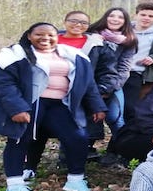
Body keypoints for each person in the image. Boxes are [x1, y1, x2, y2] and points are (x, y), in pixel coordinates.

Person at [0, 22, 106, 191]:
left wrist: (97, 106)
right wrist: (17, 108)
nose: (45, 39)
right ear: (29, 36)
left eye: (51, 35)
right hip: (29, 103)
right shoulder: (14, 55)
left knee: (77, 137)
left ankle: (76, 180)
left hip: (60, 104)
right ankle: (15, 184)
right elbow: (5, 84)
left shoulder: (73, 55)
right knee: (20, 139)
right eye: (39, 35)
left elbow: (88, 83)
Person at [26, 11, 117, 166]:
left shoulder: (99, 46)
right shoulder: (47, 39)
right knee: (37, 129)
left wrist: (100, 92)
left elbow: (108, 72)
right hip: (43, 94)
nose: (78, 25)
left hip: (81, 96)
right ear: (65, 22)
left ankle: (72, 164)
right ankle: (29, 165)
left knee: (76, 130)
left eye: (83, 23)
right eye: (73, 21)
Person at [86, 7, 137, 147]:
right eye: (112, 16)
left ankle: (123, 150)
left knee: (115, 117)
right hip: (87, 82)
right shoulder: (90, 34)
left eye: (120, 17)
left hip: (112, 84)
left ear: (125, 22)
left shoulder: (129, 41)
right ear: (105, 17)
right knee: (84, 116)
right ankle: (84, 149)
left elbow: (124, 68)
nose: (115, 19)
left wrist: (109, 89)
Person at [122, 2, 153, 121]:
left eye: (151, 16)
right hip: (117, 71)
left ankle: (125, 134)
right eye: (143, 15)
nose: (146, 18)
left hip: (136, 73)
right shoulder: (124, 30)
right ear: (136, 15)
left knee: (129, 107)